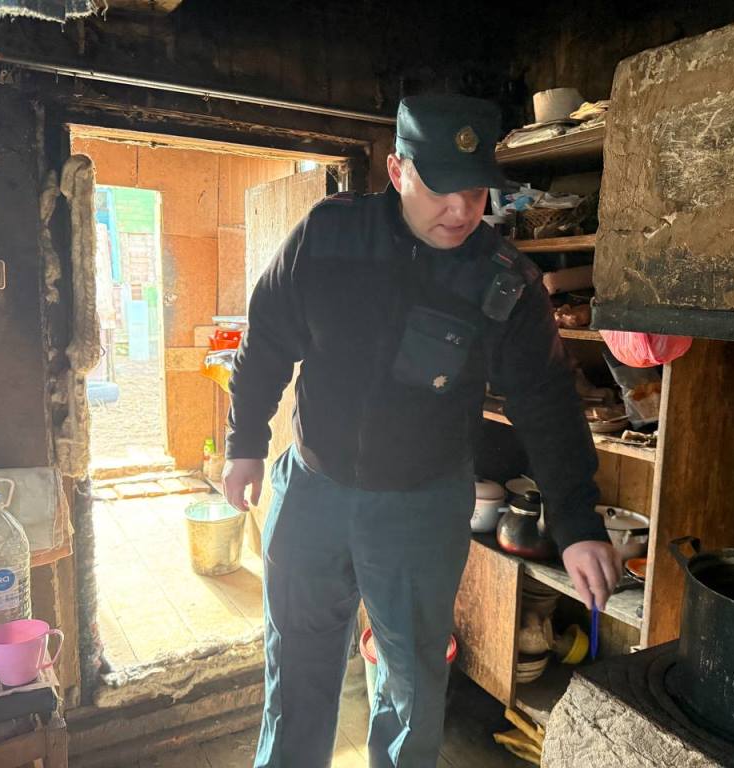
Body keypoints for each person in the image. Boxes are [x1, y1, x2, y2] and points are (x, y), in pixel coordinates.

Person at [222, 93, 620, 768]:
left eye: (476, 190)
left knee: (411, 681)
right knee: (297, 667)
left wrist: (578, 521)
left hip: (420, 507)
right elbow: (266, 339)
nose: (461, 210)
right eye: (441, 187)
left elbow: (546, 401)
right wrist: (244, 445)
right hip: (312, 490)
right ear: (397, 169)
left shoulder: (504, 280)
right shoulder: (330, 235)